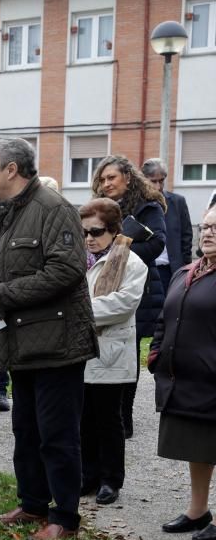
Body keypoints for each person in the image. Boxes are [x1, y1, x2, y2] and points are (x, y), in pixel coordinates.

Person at [0, 138, 96, 540]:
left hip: (57, 345)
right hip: (22, 344)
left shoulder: (53, 209)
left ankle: (65, 518)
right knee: (26, 430)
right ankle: (33, 504)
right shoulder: (4, 213)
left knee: (57, 434)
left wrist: (1, 295)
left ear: (11, 171)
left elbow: (67, 271)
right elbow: (8, 271)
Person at [150, 207, 216, 540]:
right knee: (198, 446)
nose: (207, 233)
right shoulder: (185, 273)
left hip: (212, 379)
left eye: (215, 228)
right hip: (185, 380)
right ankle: (198, 511)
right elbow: (165, 318)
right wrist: (156, 355)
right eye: (205, 226)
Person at [92, 156, 166, 440]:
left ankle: (124, 417)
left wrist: (122, 258)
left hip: (139, 289)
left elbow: (158, 242)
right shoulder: (100, 209)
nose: (106, 183)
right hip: (101, 287)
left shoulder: (148, 207)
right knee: (103, 346)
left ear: (128, 177)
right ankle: (101, 414)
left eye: (111, 177)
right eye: (102, 179)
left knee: (128, 349)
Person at [77, 198, 147, 506]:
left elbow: (122, 305)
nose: (90, 238)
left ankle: (110, 479)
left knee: (108, 419)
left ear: (114, 229)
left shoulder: (131, 263)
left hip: (111, 352)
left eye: (97, 231)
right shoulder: (78, 259)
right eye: (85, 232)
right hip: (79, 351)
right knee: (83, 418)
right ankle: (88, 475)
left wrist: (76, 310)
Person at [141, 158, 193, 294]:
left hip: (172, 271)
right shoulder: (136, 204)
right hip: (146, 271)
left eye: (161, 180)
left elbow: (186, 237)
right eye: (153, 181)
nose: (158, 186)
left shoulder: (178, 202)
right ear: (143, 179)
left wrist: (185, 266)